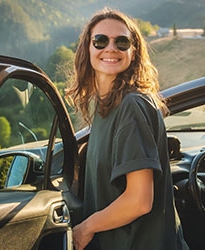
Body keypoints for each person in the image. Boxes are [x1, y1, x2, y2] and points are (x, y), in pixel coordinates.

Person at [66, 8, 189, 250]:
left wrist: (85, 228)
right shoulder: (106, 107)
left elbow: (139, 201)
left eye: (122, 42)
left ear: (134, 51)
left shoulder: (131, 106)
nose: (111, 48)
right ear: (87, 48)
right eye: (100, 41)